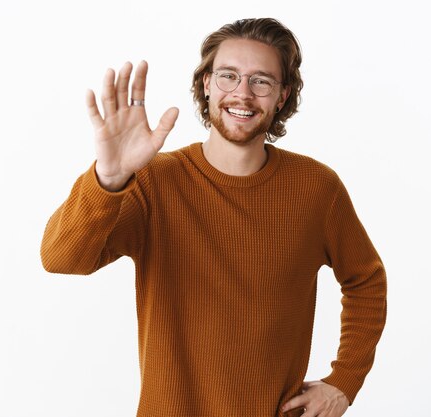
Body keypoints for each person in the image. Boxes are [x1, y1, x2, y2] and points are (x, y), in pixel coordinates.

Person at [41, 17, 387, 417]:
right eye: (228, 76)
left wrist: (343, 382)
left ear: (282, 95)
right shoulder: (155, 181)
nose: (242, 94)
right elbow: (61, 259)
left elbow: (366, 280)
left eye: (261, 81)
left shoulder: (316, 189)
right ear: (206, 84)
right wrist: (109, 178)